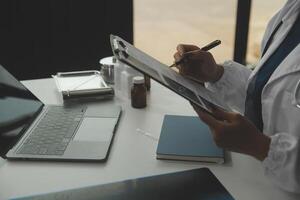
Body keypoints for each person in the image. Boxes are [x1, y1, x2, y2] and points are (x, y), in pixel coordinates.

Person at [173, 0, 300, 193]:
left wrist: (260, 146)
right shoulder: (290, 12)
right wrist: (216, 74)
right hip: (258, 180)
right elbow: (268, 95)